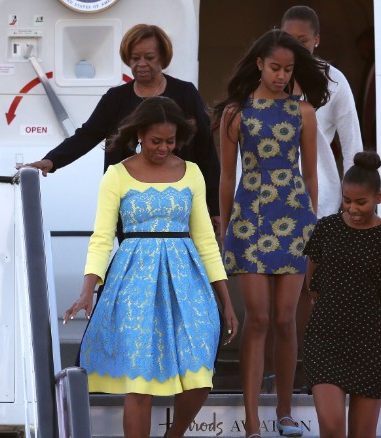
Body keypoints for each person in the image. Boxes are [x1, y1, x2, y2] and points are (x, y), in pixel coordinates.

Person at [63, 96, 238, 438]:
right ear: (140, 133)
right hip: (134, 285)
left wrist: (226, 300)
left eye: (170, 141)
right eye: (156, 140)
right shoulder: (117, 175)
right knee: (139, 383)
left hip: (188, 280)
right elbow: (101, 237)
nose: (163, 148)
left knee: (200, 375)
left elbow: (205, 239)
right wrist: (88, 288)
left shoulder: (193, 173)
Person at [213, 29, 330, 438]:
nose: (282, 75)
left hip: (294, 217)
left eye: (289, 69)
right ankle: (250, 421)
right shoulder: (235, 113)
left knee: (285, 320)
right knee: (258, 319)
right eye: (275, 67)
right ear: (259, 63)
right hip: (249, 218)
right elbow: (227, 176)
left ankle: (284, 411)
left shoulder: (305, 113)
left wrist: (312, 226)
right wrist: (224, 226)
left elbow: (311, 175)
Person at [26, 24, 221, 233]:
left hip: (178, 206)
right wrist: (52, 160)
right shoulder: (115, 99)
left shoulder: (186, 93)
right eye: (135, 58)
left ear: (163, 58)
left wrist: (215, 208)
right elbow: (87, 135)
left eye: (149, 57)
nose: (141, 64)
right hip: (129, 208)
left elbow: (206, 151)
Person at [279, 4, 365, 393]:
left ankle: (316, 373)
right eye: (287, 39)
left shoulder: (335, 81)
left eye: (302, 41)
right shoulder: (265, 77)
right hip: (271, 202)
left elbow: (353, 147)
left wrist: (354, 203)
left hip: (323, 203)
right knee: (276, 299)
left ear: (316, 41)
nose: (295, 48)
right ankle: (279, 374)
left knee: (312, 293)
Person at [301, 151, 381, 438]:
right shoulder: (326, 228)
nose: (352, 208)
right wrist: (331, 303)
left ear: (379, 197)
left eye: (360, 202)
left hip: (369, 343)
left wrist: (368, 311)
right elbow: (311, 280)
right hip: (325, 339)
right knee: (332, 426)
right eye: (347, 200)